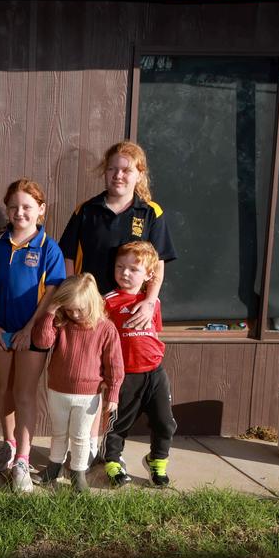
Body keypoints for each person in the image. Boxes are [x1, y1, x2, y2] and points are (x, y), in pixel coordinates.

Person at [58, 140, 176, 463]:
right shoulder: (87, 210)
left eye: (126, 170)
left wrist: (150, 301)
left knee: (118, 382)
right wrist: (73, 297)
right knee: (91, 377)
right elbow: (67, 255)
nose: (118, 175)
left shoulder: (150, 213)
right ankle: (87, 446)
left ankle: (107, 447)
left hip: (130, 316)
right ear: (105, 172)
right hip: (93, 312)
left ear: (139, 174)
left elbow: (159, 262)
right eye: (112, 168)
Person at [0, 179, 66, 492]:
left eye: (27, 206)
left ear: (41, 210)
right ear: (7, 209)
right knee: (6, 389)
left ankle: (24, 461)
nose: (20, 212)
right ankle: (9, 447)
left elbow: (52, 293)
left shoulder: (48, 249)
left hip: (33, 335)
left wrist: (29, 330)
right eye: (14, 206)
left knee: (25, 393)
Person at [32, 274, 124, 493]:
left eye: (79, 310)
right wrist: (50, 311)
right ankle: (54, 467)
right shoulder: (62, 323)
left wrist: (113, 394)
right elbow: (42, 342)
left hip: (88, 395)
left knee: (81, 436)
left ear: (92, 303)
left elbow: (115, 365)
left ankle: (78, 474)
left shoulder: (106, 329)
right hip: (57, 391)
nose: (74, 314)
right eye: (69, 309)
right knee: (59, 432)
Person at [102, 241, 177, 487]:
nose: (124, 273)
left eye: (133, 269)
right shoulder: (108, 301)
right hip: (125, 374)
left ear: (149, 274)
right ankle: (112, 461)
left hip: (155, 373)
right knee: (119, 422)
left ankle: (157, 461)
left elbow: (154, 332)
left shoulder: (152, 302)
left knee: (165, 422)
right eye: (119, 267)